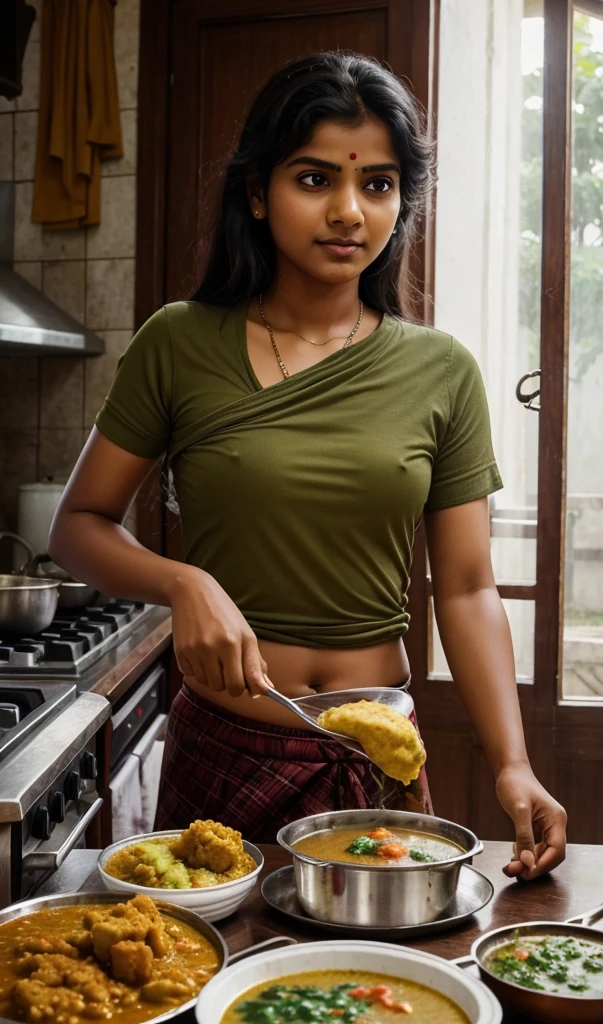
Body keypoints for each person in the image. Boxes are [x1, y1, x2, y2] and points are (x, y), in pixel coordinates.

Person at [49, 50, 566, 880]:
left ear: (403, 200)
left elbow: (467, 588)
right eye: (315, 179)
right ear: (258, 193)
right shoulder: (179, 342)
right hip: (224, 746)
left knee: (376, 1001)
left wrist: (513, 763)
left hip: (373, 757)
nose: (350, 211)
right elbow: (75, 527)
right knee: (208, 992)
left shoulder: (442, 370)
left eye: (379, 185)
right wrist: (186, 582)